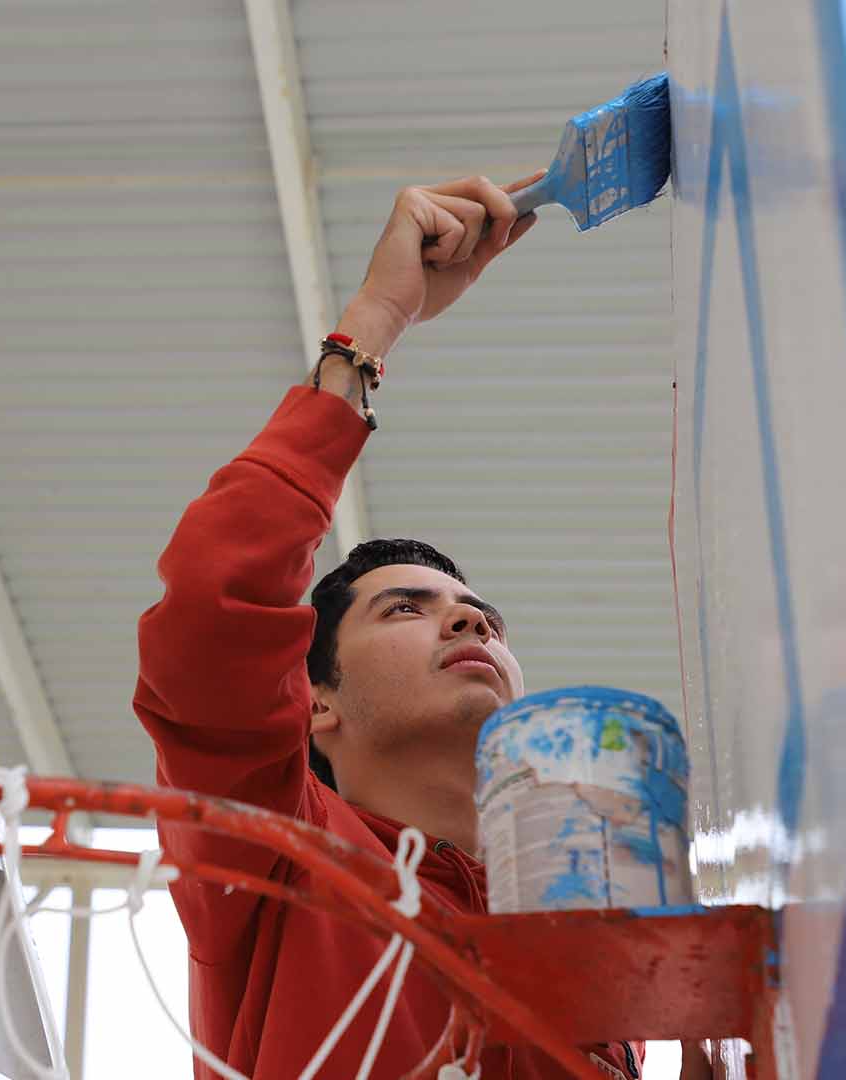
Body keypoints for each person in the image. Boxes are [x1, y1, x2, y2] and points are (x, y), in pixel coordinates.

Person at [134, 175, 660, 1080]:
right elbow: (216, 596)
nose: (468, 617)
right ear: (313, 705)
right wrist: (376, 317)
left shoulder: (591, 949)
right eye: (404, 608)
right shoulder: (272, 848)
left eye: (482, 616)